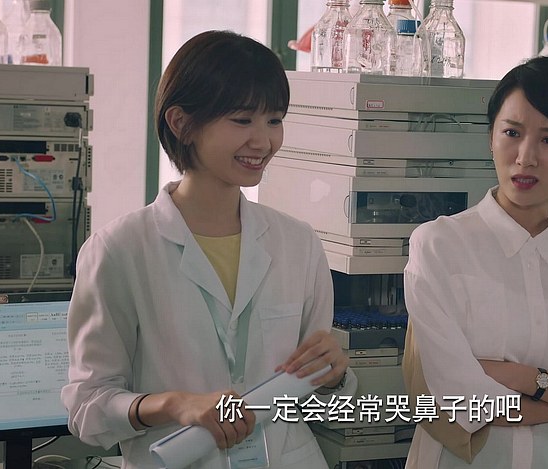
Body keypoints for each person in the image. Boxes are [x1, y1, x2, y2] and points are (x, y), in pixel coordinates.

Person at [61, 30, 355, 468]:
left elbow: (318, 402)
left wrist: (333, 378)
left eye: (274, 120)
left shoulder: (298, 243)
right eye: (242, 120)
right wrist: (175, 404)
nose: (263, 141)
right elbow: (88, 407)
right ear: (181, 123)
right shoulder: (120, 250)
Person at [402, 56, 548, 468]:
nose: (525, 156)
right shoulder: (439, 245)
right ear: (490, 137)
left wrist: (519, 377)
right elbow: (461, 400)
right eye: (512, 133)